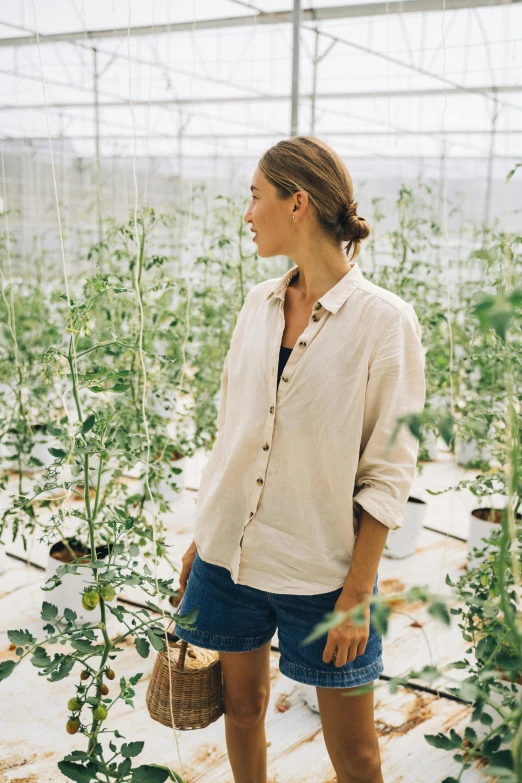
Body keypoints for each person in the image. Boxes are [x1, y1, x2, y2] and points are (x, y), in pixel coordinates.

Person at [173, 136, 426, 783]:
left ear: (298, 203)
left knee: (357, 751)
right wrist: (204, 538)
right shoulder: (257, 305)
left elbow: (389, 468)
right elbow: (232, 433)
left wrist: (358, 592)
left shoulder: (384, 322)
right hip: (230, 556)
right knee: (242, 705)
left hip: (323, 571)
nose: (247, 213)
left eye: (255, 196)